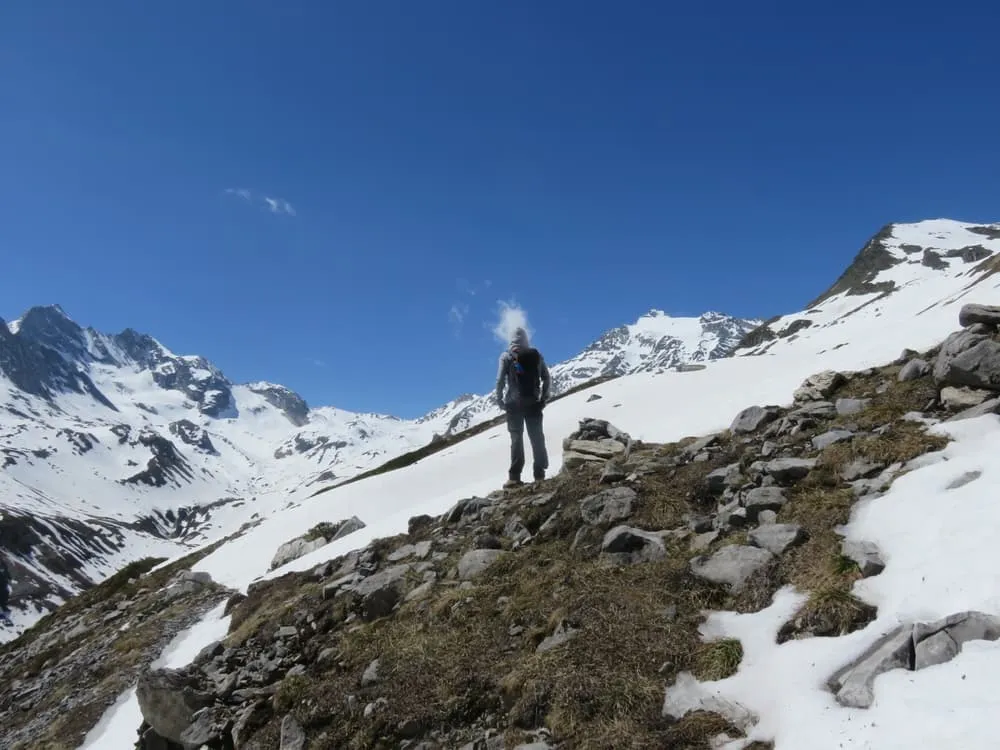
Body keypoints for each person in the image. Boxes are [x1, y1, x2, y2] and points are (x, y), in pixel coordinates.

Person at [495, 327, 551, 487]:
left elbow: (499, 381)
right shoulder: (536, 355)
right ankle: (539, 474)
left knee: (516, 439)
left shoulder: (506, 356)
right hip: (533, 403)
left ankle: (514, 477)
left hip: (513, 405)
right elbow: (546, 378)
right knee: (537, 438)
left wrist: (500, 401)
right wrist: (544, 398)